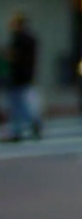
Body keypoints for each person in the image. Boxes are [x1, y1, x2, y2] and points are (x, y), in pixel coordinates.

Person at [5, 12, 41, 141]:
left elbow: (14, 56)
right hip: (26, 75)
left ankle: (19, 130)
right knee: (24, 103)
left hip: (18, 76)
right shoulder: (31, 38)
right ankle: (29, 124)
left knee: (18, 104)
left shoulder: (19, 39)